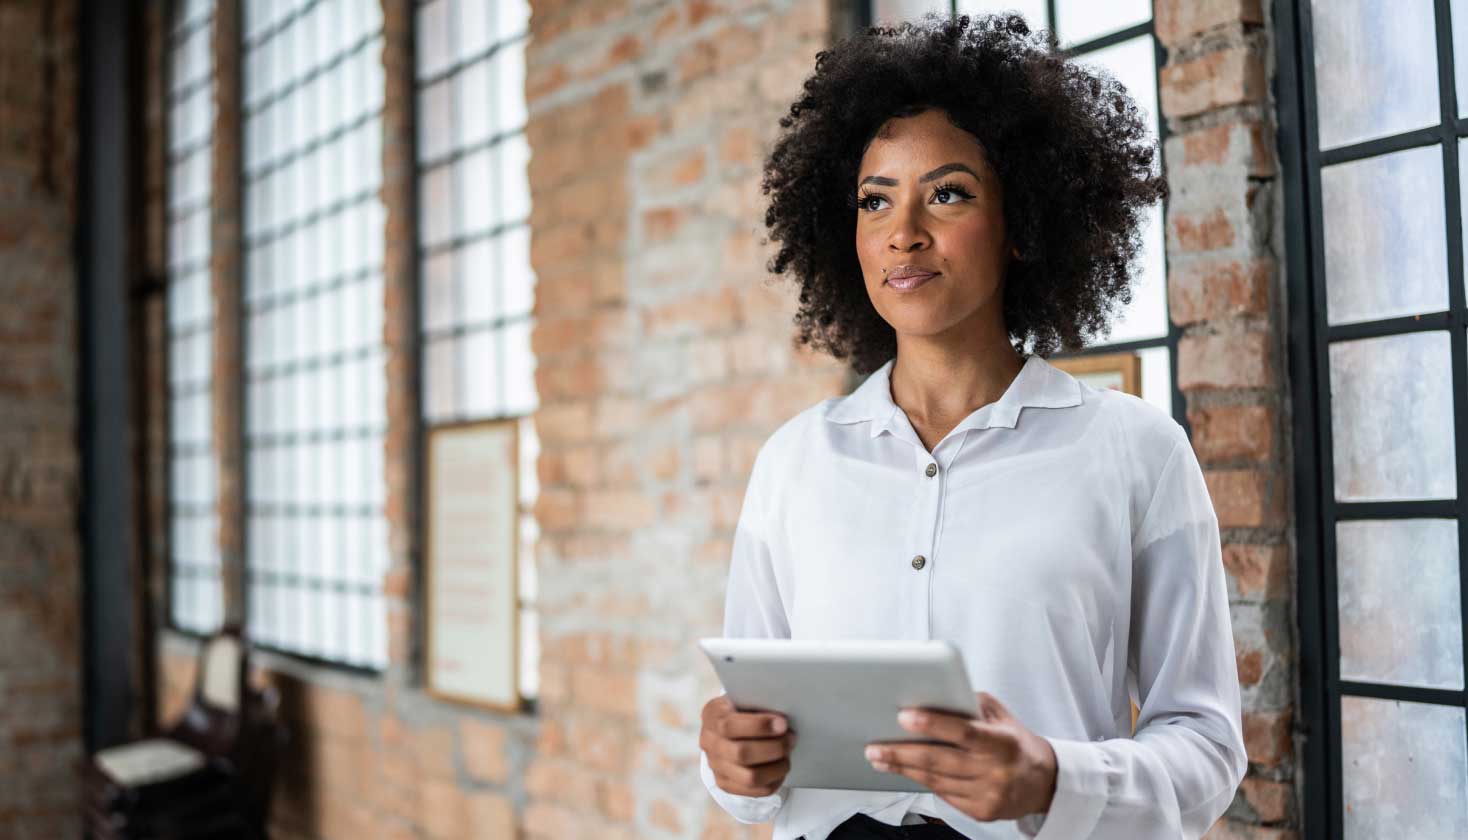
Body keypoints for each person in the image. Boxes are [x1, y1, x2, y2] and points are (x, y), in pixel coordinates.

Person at [696, 12, 1248, 840]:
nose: (903, 234)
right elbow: (750, 764)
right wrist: (730, 764)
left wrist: (1052, 779)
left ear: (1021, 222)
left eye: (947, 193)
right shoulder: (795, 462)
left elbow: (1207, 751)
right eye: (874, 200)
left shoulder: (1134, 452)